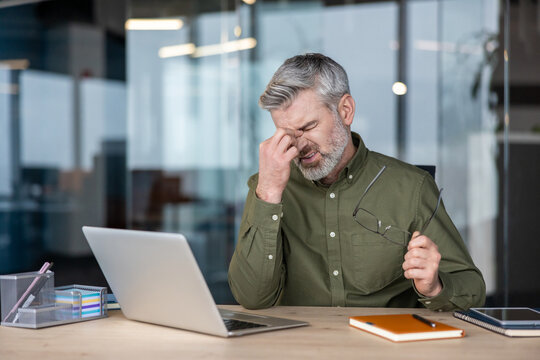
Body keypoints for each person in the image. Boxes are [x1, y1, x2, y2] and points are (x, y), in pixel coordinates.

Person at [228, 53, 486, 311]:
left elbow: (472, 289)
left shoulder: (412, 188)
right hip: (300, 347)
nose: (299, 145)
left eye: (307, 127)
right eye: (285, 133)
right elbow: (252, 298)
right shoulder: (267, 187)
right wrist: (269, 192)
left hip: (385, 348)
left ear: (346, 111)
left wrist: (434, 287)